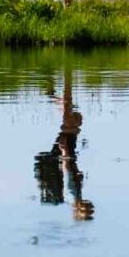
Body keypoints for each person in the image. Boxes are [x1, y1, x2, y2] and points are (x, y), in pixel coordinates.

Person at [34, 69, 94, 221]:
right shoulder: (72, 198)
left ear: (79, 209)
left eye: (87, 210)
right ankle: (55, 92)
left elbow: (67, 172)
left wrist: (64, 150)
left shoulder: (72, 195)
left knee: (70, 112)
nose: (90, 207)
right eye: (90, 209)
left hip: (67, 150)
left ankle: (67, 78)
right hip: (68, 150)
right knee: (74, 116)